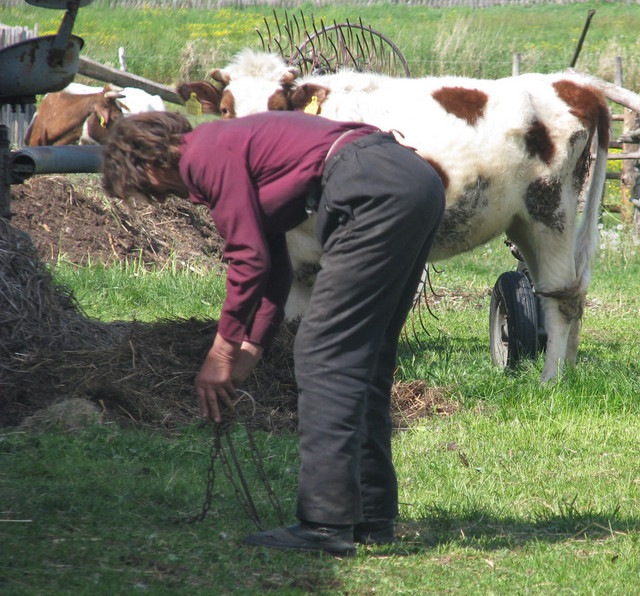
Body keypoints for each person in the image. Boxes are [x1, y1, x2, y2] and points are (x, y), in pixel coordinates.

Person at [101, 110, 445, 556]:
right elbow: (274, 267)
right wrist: (252, 347)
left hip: (370, 185)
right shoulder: (225, 146)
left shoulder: (203, 155)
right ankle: (371, 516)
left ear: (148, 162)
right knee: (367, 354)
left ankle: (325, 524)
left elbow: (248, 260)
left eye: (153, 190)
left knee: (324, 356)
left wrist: (221, 351)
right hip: (411, 178)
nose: (164, 198)